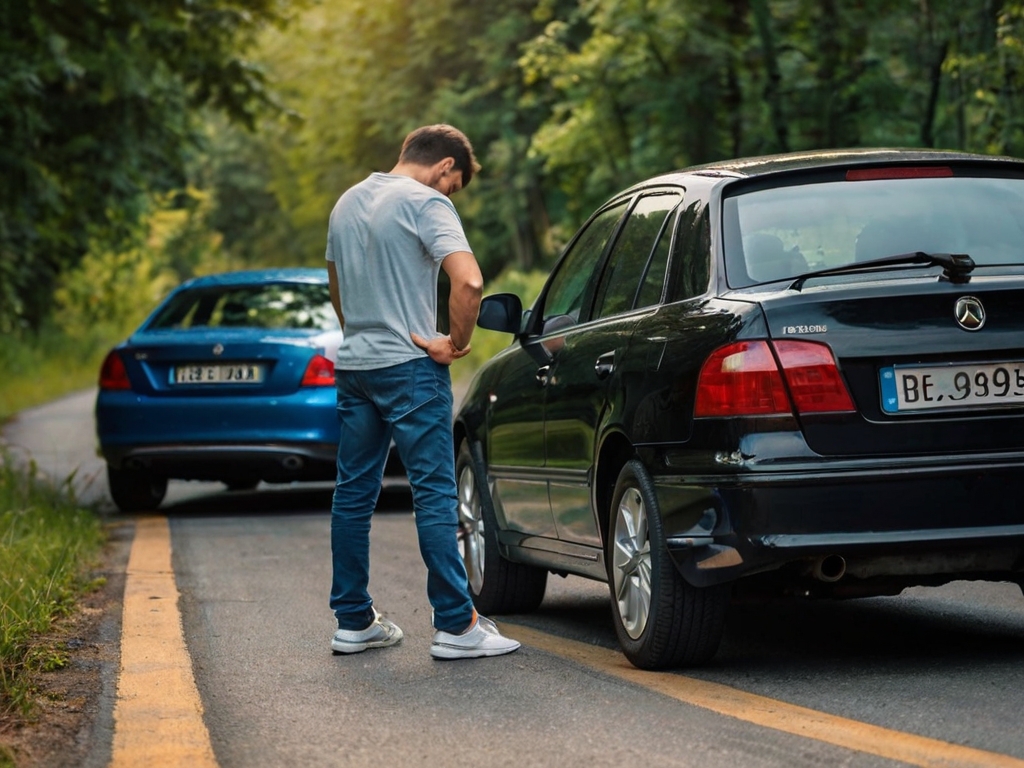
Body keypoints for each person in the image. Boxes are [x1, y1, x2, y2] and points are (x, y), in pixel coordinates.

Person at [324, 124, 520, 660]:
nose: (449, 194)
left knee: (353, 494)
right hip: (411, 366)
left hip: (357, 367)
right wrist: (454, 343)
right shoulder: (425, 201)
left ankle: (353, 621)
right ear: (446, 168)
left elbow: (336, 286)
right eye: (453, 186)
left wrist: (363, 334)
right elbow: (470, 282)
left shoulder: (346, 203)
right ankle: (458, 627)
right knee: (434, 493)